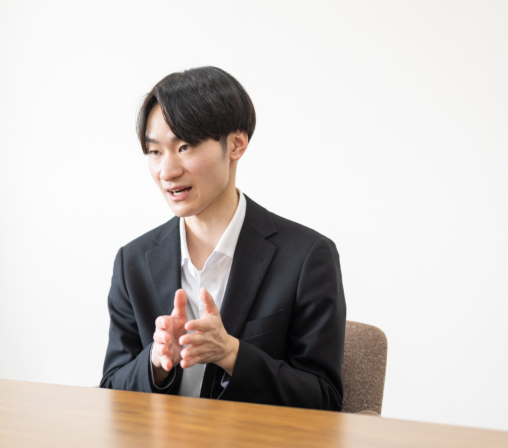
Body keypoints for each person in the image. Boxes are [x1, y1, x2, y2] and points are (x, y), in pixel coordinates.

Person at [100, 67, 346, 410]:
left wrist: (232, 354)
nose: (167, 171)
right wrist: (155, 362)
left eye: (184, 146)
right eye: (155, 152)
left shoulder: (306, 257)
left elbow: (324, 399)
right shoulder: (133, 261)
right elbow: (110, 390)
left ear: (235, 144)